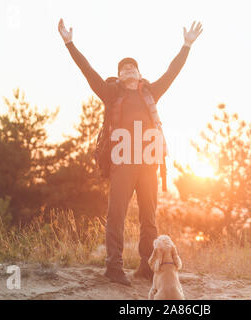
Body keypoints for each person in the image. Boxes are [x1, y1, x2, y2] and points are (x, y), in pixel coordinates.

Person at [58, 18, 203, 286]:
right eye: (124, 68)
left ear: (139, 73)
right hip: (122, 163)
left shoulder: (151, 92)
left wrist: (186, 45)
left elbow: (172, 72)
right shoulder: (110, 94)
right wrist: (69, 43)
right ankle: (114, 267)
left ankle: (147, 268)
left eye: (132, 67)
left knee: (150, 219)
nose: (128, 70)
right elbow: (87, 71)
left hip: (148, 164)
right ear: (120, 75)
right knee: (116, 216)